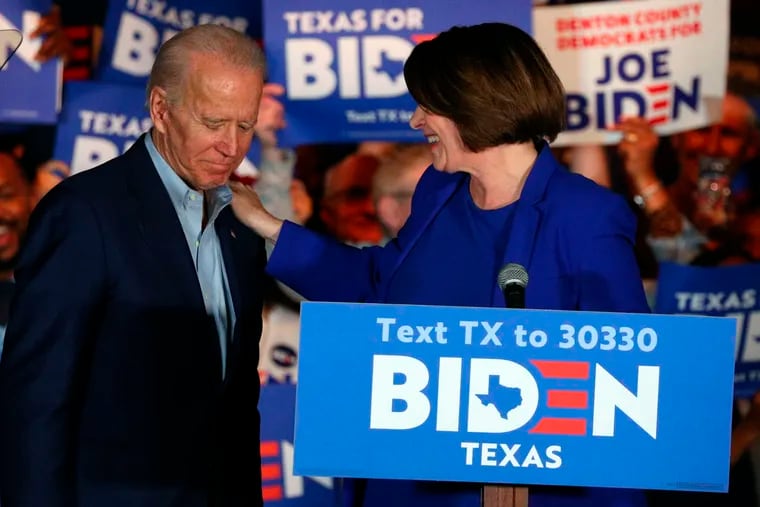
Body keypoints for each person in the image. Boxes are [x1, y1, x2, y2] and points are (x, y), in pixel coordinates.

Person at [231, 22, 649, 507]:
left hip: (518, 492)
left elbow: (626, 383)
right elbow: (376, 285)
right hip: (403, 477)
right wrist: (270, 228)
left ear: (473, 104)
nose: (415, 121)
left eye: (427, 105)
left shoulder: (585, 217)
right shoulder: (439, 189)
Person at [0, 24, 267, 507]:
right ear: (161, 110)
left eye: (245, 125)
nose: (232, 145)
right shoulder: (83, 213)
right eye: (213, 123)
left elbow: (236, 404)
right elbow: (37, 402)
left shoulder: (242, 224)